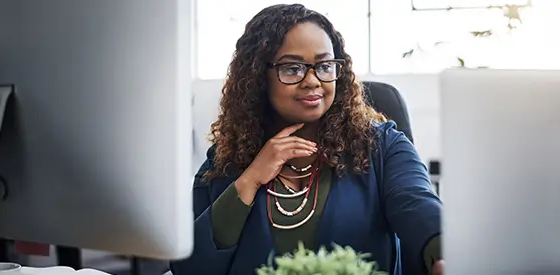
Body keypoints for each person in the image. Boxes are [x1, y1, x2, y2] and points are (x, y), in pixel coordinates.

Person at [170, 4, 443, 275]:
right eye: (292, 69)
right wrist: (250, 179)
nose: (312, 80)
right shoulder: (226, 159)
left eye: (324, 66)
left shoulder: (382, 145)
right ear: (258, 78)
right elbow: (190, 267)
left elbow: (417, 205)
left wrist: (445, 253)